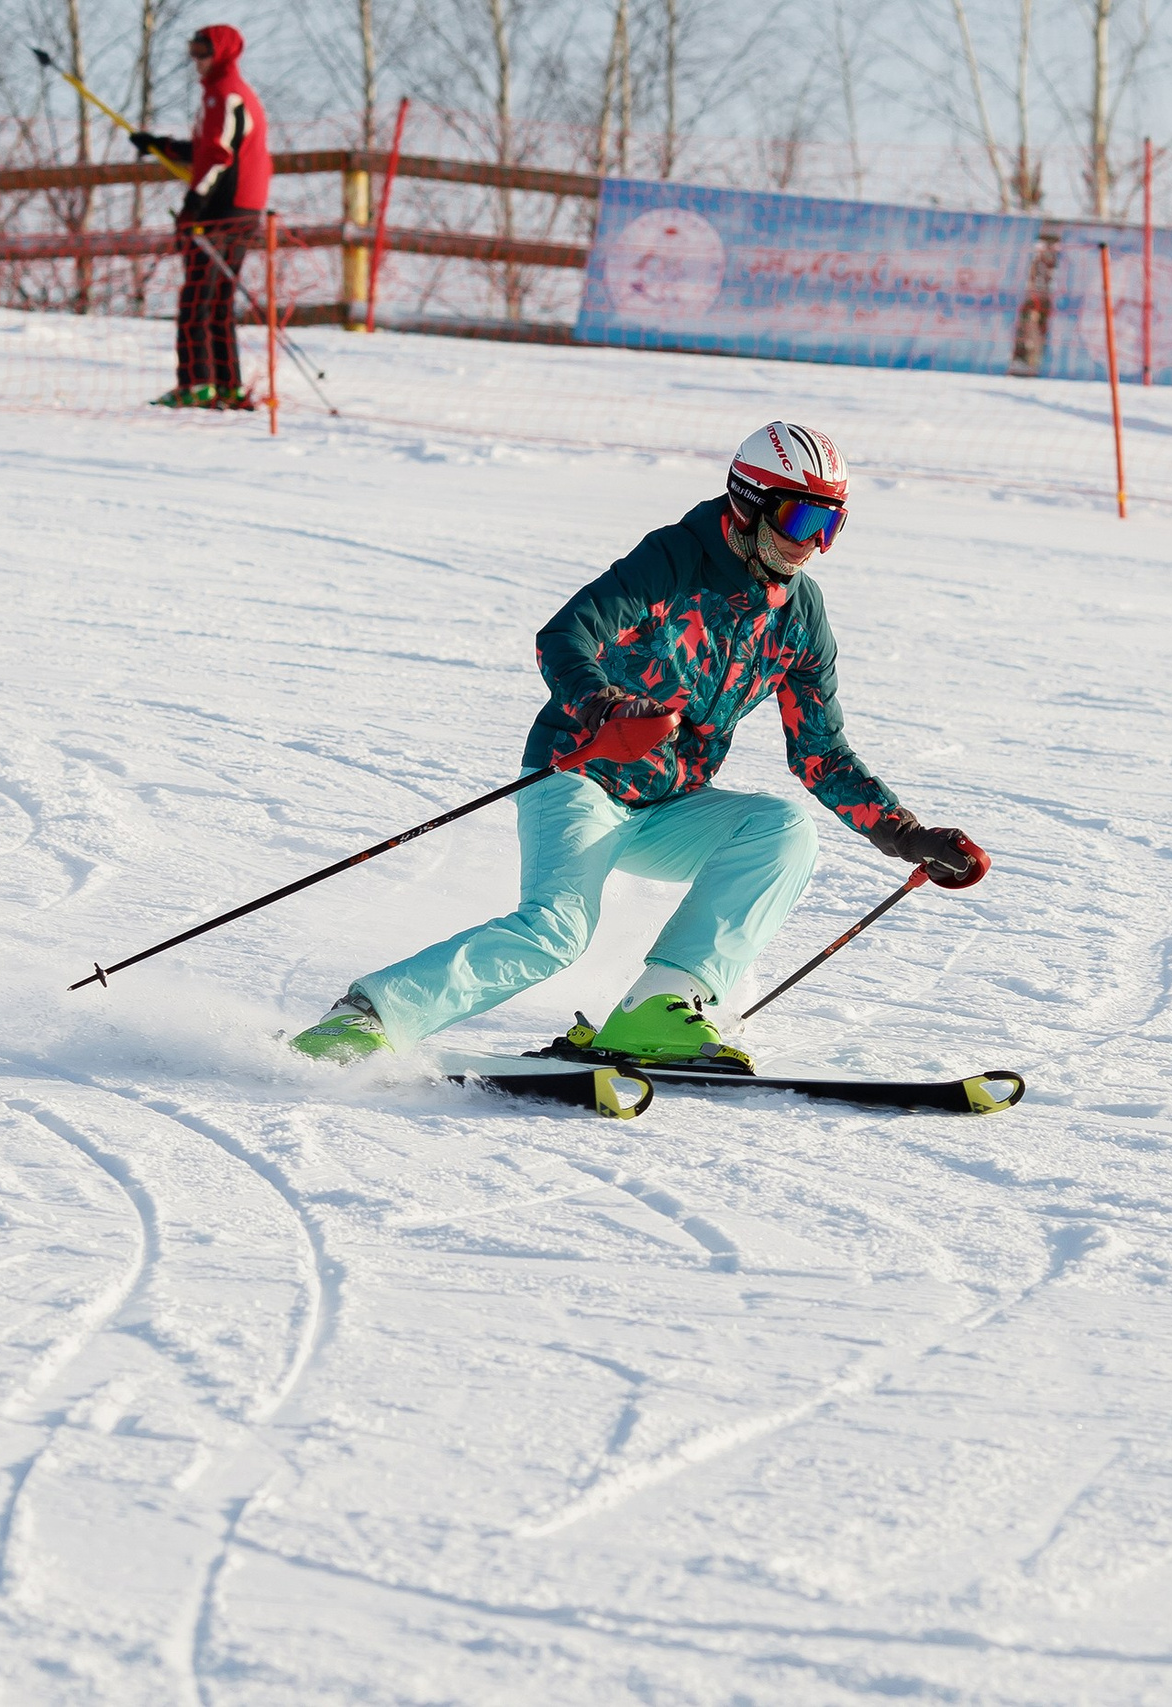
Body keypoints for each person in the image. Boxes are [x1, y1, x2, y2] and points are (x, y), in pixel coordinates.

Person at [289, 422, 982, 1070]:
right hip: (581, 776)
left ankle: (659, 1004)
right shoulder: (674, 563)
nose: (813, 542)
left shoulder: (798, 616)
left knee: (782, 832)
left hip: (671, 804)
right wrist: (602, 707)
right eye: (801, 518)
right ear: (749, 502)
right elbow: (566, 635)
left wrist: (906, 834)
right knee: (556, 930)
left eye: (831, 523)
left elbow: (819, 752)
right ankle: (368, 1018)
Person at [130, 25, 270, 409]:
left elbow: (220, 158)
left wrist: (194, 205)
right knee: (217, 300)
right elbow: (211, 150)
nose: (197, 60)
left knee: (197, 297)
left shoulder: (225, 94)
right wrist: (162, 145)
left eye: (203, 52)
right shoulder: (227, 93)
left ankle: (196, 385)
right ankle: (225, 384)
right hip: (241, 205)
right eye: (192, 51)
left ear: (222, 53)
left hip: (224, 208)